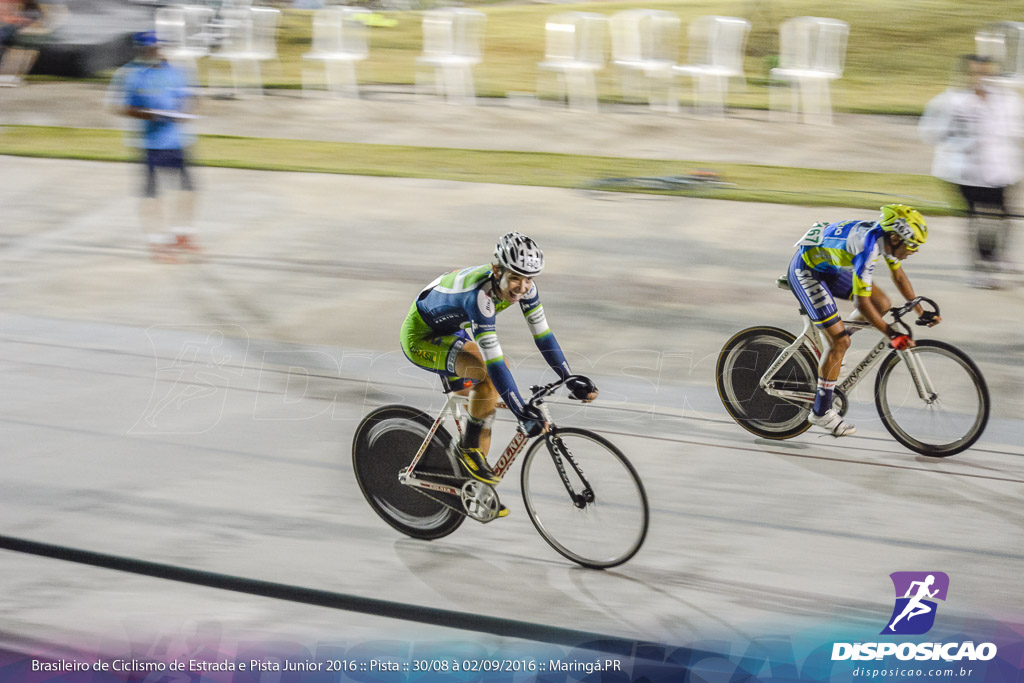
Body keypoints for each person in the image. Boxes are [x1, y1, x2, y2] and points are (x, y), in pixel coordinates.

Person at [401, 232, 598, 498]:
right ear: (497, 270)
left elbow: (543, 336)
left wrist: (568, 376)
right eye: (515, 277)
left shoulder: (525, 288)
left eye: (529, 278)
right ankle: (467, 449)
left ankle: (475, 493)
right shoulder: (480, 298)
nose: (522, 287)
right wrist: (521, 412)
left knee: (484, 406)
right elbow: (494, 363)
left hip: (450, 328)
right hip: (421, 337)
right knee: (487, 375)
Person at [787, 205, 940, 437]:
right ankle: (820, 412)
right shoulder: (868, 248)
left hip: (828, 265)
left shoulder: (885, 238)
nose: (914, 250)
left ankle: (834, 349)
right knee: (840, 343)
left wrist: (920, 311)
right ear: (896, 237)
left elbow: (898, 275)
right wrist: (892, 334)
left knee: (882, 303)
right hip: (806, 270)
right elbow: (861, 303)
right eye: (912, 245)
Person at [919, 54, 1024, 289]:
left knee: (1004, 217)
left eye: (989, 73)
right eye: (977, 73)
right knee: (977, 220)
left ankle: (996, 256)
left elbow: (1018, 130)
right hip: (963, 171)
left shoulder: (1008, 100)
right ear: (966, 75)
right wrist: (962, 137)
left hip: (1002, 169)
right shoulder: (949, 102)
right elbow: (929, 133)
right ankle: (979, 269)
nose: (984, 78)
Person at [108, 31, 199, 263]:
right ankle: (157, 242)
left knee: (189, 189)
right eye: (150, 48)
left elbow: (190, 97)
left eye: (157, 48)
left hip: (177, 140)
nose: (155, 52)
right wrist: (148, 114)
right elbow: (120, 107)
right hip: (149, 143)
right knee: (152, 193)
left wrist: (186, 111)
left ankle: (182, 234)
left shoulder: (176, 71)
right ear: (140, 50)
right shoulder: (131, 74)